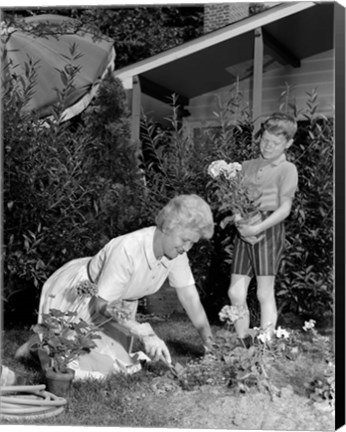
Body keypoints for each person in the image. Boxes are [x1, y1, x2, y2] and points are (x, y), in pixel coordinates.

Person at [16, 194, 215, 377]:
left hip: (116, 308)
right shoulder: (127, 249)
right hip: (84, 298)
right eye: (185, 240)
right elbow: (101, 305)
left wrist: (209, 343)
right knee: (74, 369)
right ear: (167, 227)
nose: (186, 248)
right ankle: (35, 348)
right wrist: (142, 332)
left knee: (121, 366)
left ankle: (46, 347)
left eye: (193, 243)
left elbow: (190, 297)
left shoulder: (177, 253)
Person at [228, 112, 298, 342]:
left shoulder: (287, 169)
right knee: (235, 292)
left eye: (275, 143)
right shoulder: (246, 166)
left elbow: (284, 209)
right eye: (265, 140)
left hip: (268, 229)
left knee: (263, 292)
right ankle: (243, 344)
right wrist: (239, 222)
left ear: (288, 143)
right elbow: (235, 199)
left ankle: (264, 345)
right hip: (244, 227)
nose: (268, 146)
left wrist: (257, 229)